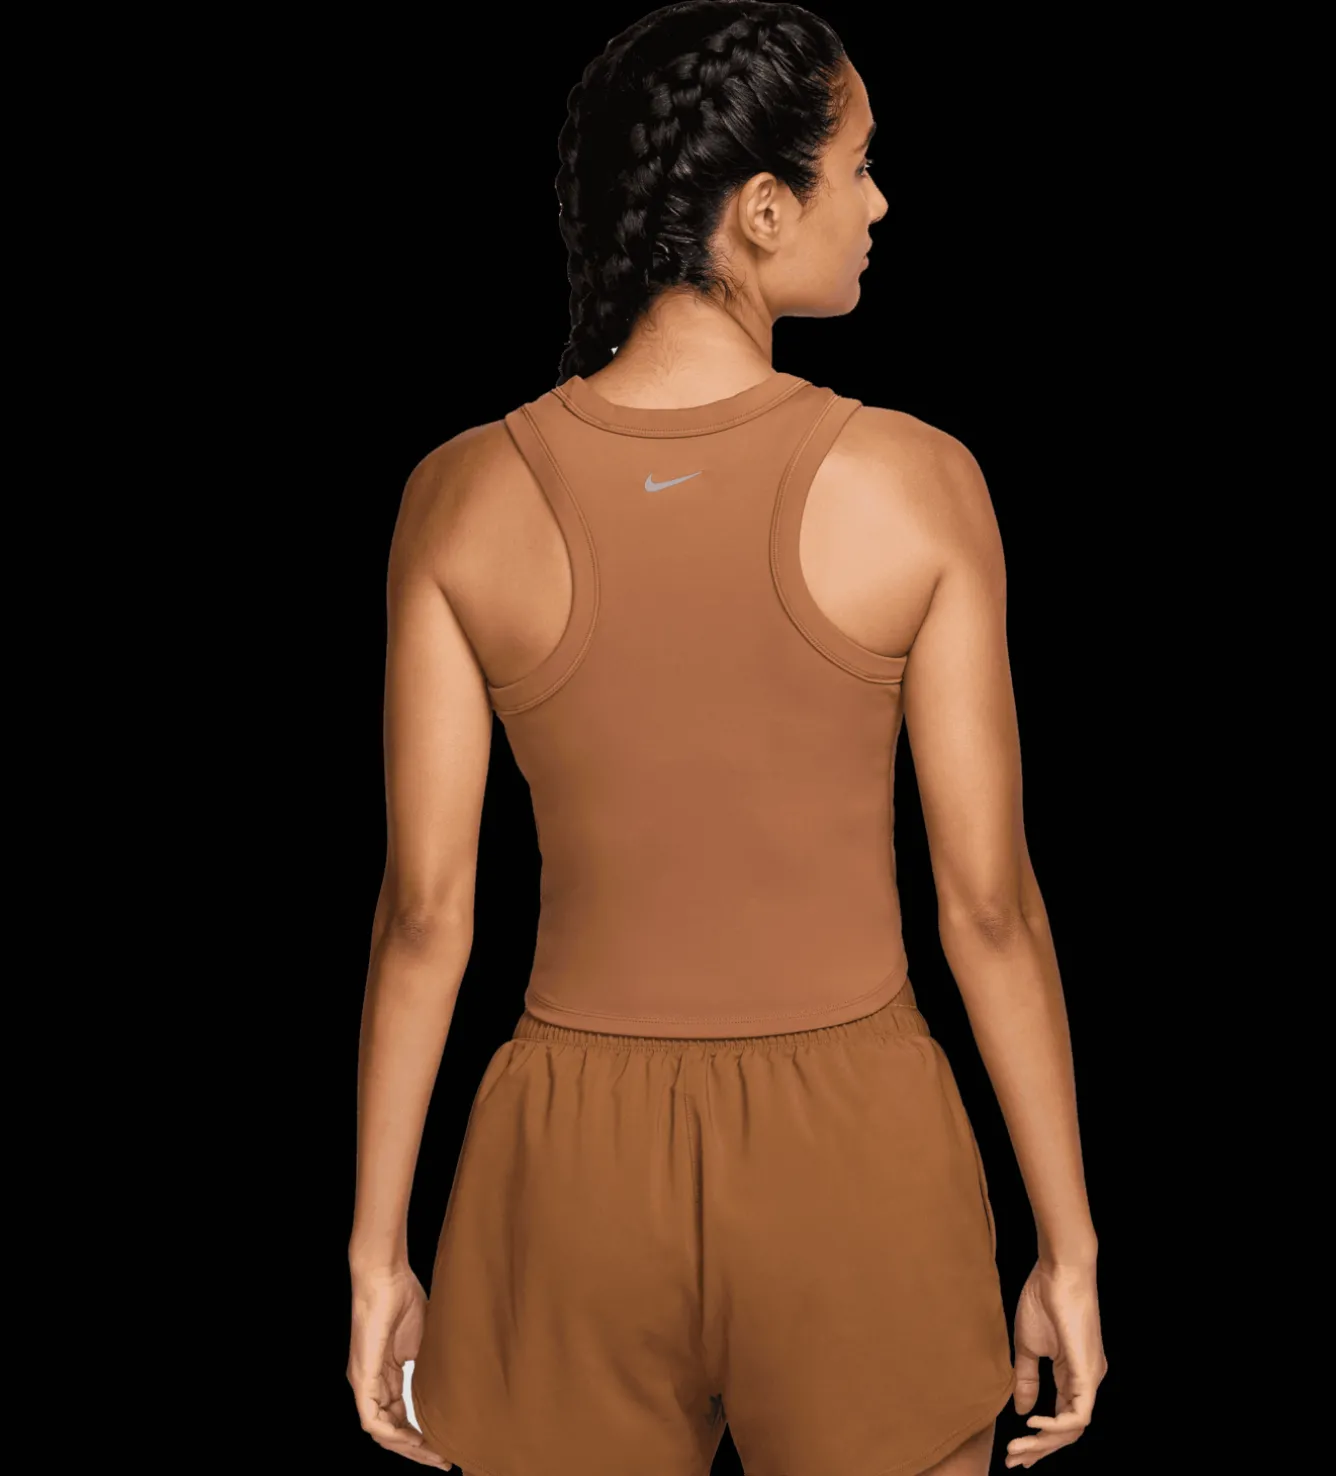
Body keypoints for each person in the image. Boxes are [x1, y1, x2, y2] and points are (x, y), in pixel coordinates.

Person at [346, 3, 1106, 1472]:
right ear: (762, 209)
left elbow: (426, 914)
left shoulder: (461, 494)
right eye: (860, 165)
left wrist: (379, 1252)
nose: (879, 203)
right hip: (861, 1162)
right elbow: (989, 910)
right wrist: (1066, 1244)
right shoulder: (918, 481)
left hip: (564, 1179)